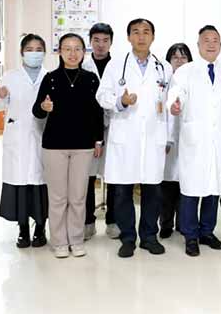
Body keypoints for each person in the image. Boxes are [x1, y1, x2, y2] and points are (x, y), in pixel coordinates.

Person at [96, 18, 173, 258]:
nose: (141, 36)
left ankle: (149, 237)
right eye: (136, 32)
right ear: (129, 37)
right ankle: (128, 238)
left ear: (153, 37)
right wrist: (120, 101)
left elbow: (170, 104)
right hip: (125, 136)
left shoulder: (164, 67)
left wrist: (169, 137)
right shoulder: (116, 65)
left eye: (146, 32)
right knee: (122, 191)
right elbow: (102, 95)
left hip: (154, 136)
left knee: (153, 191)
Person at [168, 25, 221, 257]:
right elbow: (176, 94)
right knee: (191, 189)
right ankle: (190, 235)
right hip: (194, 140)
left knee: (214, 187)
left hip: (219, 140)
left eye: (215, 40)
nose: (211, 44)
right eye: (206, 40)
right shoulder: (185, 72)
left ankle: (207, 232)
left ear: (220, 45)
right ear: (198, 44)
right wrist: (175, 104)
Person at [33, 33, 104, 258]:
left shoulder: (91, 79)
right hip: (54, 145)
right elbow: (36, 111)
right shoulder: (50, 79)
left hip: (83, 146)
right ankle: (59, 242)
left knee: (78, 196)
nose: (72, 53)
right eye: (67, 49)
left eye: (77, 49)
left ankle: (76, 239)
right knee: (57, 197)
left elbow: (97, 113)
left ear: (84, 52)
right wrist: (44, 107)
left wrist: (98, 140)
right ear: (59, 52)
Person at [0, 34, 49, 248]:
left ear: (44, 53)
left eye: (39, 49)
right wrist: (0, 96)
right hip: (17, 137)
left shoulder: (49, 77)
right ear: (22, 52)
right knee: (20, 185)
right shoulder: (10, 76)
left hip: (42, 136)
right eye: (30, 49)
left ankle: (40, 229)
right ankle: (23, 229)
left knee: (41, 185)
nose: (34, 53)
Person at [82, 23, 119, 240]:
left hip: (115, 126)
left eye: (105, 40)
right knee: (86, 177)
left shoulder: (120, 67)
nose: (101, 45)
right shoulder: (83, 66)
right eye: (96, 40)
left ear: (111, 42)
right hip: (88, 129)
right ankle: (88, 221)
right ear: (90, 42)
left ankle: (113, 221)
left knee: (114, 176)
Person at [159, 43, 192, 239]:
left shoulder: (194, 80)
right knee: (167, 186)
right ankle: (165, 224)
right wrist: (166, 138)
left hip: (188, 140)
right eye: (175, 57)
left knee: (185, 184)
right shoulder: (163, 82)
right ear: (169, 60)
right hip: (167, 140)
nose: (179, 61)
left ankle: (182, 223)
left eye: (183, 57)